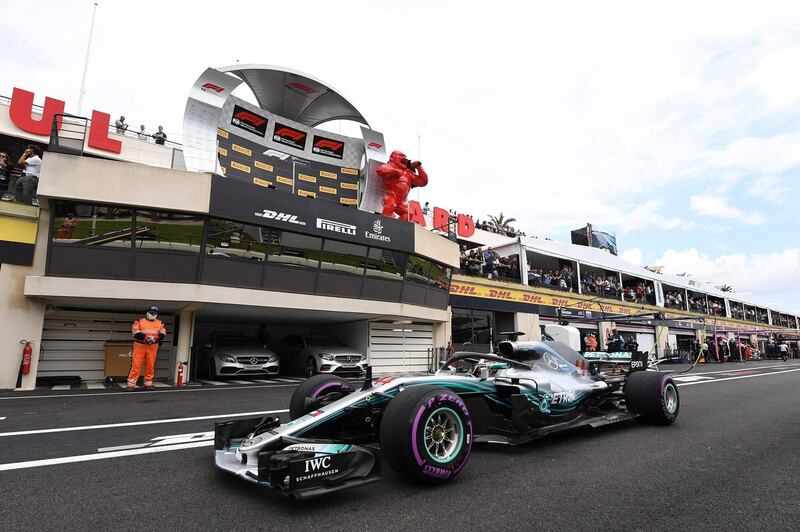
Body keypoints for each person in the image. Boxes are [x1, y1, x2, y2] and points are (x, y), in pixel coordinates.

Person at [126, 306, 167, 390]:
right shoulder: (139, 321)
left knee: (150, 365)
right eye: (151, 312)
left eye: (155, 313)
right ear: (147, 312)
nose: (153, 314)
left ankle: (148, 383)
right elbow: (136, 332)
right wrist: (146, 338)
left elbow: (163, 333)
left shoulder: (160, 322)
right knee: (136, 365)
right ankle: (131, 384)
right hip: (140, 345)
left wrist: (154, 339)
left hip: (152, 346)